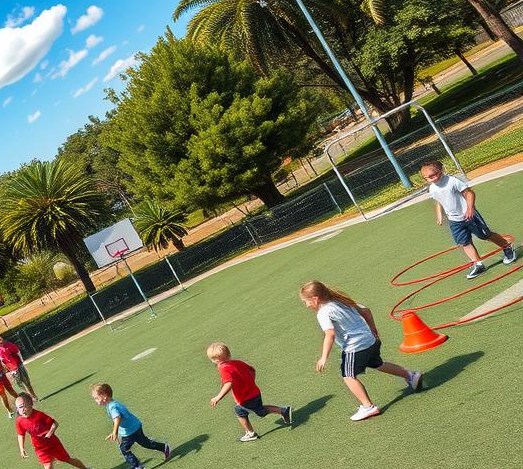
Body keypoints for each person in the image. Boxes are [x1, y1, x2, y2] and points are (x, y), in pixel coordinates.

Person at [300, 281, 422, 421]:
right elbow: (366, 310)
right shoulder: (340, 301)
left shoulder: (323, 312)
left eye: (306, 302)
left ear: (315, 299)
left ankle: (368, 406)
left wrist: (323, 357)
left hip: (355, 347)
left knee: (348, 376)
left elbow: (330, 334)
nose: (306, 305)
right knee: (378, 364)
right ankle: (410, 375)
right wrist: (373, 328)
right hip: (370, 340)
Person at [421, 161, 516, 278]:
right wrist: (439, 215)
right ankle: (478, 264)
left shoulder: (452, 181)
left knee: (485, 235)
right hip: (454, 221)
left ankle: (507, 247)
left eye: (435, 175)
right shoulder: (432, 188)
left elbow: (469, 193)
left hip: (470, 216)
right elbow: (439, 201)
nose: (432, 179)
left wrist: (470, 208)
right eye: (428, 177)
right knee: (464, 243)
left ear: (441, 170)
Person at [14, 393, 95, 469]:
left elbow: (55, 423)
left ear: (31, 404)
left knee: (67, 459)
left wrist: (50, 433)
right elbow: (20, 434)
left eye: (23, 406)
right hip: (40, 449)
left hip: (53, 444)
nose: (21, 409)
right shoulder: (19, 421)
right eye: (19, 407)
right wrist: (21, 448)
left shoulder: (39, 415)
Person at [206, 342, 292, 441]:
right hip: (254, 392)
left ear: (215, 360)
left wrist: (218, 397)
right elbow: (252, 370)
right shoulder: (237, 362)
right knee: (247, 410)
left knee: (252, 411)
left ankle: (252, 432)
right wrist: (250, 382)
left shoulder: (224, 369)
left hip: (246, 397)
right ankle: (281, 412)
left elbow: (228, 383)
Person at [91, 383, 170, 469]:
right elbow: (116, 419)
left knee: (124, 449)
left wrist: (114, 432)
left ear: (104, 396)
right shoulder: (112, 404)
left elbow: (117, 418)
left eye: (96, 398)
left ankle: (137, 467)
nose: (95, 400)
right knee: (145, 443)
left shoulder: (112, 406)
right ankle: (164, 447)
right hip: (135, 426)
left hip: (130, 431)